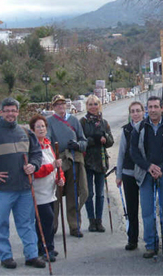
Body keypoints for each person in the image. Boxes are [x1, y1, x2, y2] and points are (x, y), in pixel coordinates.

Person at [0, 97, 46, 269]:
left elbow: (36, 153)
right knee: (2, 224)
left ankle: (32, 255)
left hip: (25, 188)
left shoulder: (26, 133)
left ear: (18, 112)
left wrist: (33, 165)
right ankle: (5, 256)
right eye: (7, 110)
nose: (11, 114)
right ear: (1, 113)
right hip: (2, 190)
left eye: (14, 110)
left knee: (26, 223)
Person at [130, 96, 163, 260]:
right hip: (146, 174)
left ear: (162, 108)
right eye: (150, 107)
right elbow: (134, 152)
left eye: (155, 107)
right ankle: (151, 246)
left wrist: (162, 168)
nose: (152, 110)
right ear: (147, 110)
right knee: (147, 212)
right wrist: (148, 167)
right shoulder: (139, 128)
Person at [47, 94, 88, 238]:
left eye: (62, 104)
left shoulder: (74, 121)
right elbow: (47, 142)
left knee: (73, 194)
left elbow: (84, 141)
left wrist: (78, 145)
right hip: (58, 160)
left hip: (73, 159)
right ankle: (52, 226)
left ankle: (75, 226)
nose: (60, 106)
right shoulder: (49, 122)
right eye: (57, 104)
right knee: (55, 196)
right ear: (53, 107)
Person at [29, 114, 65, 262]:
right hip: (38, 192)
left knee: (49, 220)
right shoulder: (32, 148)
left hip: (50, 191)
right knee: (46, 219)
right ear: (32, 129)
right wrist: (52, 167)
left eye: (43, 126)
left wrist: (61, 178)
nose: (41, 129)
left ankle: (49, 247)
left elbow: (57, 166)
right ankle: (43, 248)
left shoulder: (48, 144)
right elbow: (36, 171)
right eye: (38, 126)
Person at [80, 95, 114, 233]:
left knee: (100, 194)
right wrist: (93, 140)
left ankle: (99, 221)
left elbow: (111, 141)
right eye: (90, 104)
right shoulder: (82, 122)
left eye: (95, 104)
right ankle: (91, 221)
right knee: (89, 193)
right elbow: (80, 141)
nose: (93, 106)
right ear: (87, 106)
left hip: (101, 162)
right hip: (87, 161)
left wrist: (105, 138)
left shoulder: (104, 122)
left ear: (99, 105)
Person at [116, 101, 145, 250]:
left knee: (147, 208)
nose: (135, 113)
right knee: (131, 208)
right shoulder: (126, 130)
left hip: (145, 173)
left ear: (143, 112)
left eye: (138, 111)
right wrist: (119, 174)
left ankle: (150, 238)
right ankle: (132, 238)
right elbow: (121, 153)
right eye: (133, 111)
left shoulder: (148, 127)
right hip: (128, 173)